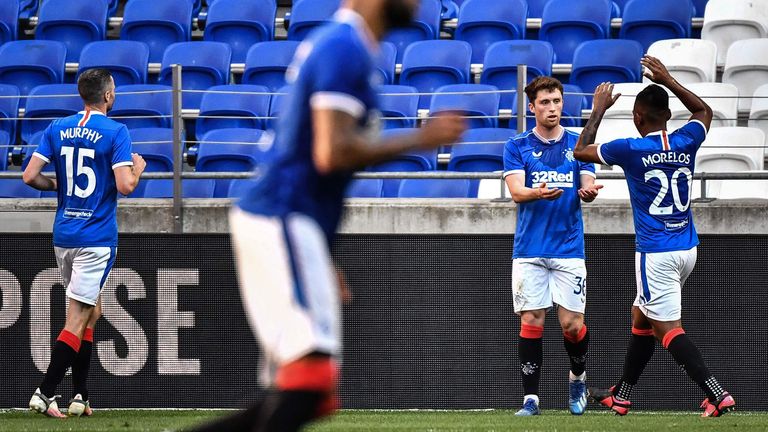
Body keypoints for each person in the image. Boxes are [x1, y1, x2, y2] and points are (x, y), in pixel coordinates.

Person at [189, 1, 465, 431]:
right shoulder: (345, 46)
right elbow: (330, 152)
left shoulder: (348, 45)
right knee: (309, 384)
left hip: (291, 220)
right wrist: (421, 138)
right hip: (281, 213)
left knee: (309, 393)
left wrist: (322, 255)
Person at [572, 55, 735, 417]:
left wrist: (597, 110)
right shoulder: (687, 139)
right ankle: (622, 394)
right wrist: (669, 79)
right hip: (687, 247)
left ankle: (716, 392)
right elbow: (704, 111)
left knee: (668, 330)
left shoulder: (630, 148)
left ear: (637, 117)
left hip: (656, 252)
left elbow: (580, 150)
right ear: (669, 115)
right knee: (641, 316)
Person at [23, 68, 146, 418]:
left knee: (93, 311)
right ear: (108, 95)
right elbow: (125, 186)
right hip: (96, 237)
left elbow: (30, 175)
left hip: (65, 234)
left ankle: (80, 396)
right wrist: (137, 168)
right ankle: (45, 393)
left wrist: (58, 187)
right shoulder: (116, 131)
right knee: (77, 318)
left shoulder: (57, 128)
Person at [503, 76, 603, 416]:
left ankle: (577, 376)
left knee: (572, 325)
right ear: (532, 107)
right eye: (545, 102)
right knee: (531, 319)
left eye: (557, 101)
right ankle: (531, 398)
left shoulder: (578, 144)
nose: (552, 108)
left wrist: (587, 191)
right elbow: (517, 192)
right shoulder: (516, 145)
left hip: (569, 247)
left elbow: (588, 182)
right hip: (529, 249)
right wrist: (536, 192)